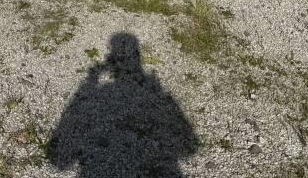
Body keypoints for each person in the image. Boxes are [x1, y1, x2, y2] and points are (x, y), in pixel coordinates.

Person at [48, 33, 199, 178]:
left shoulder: (99, 94)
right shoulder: (157, 95)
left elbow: (60, 161)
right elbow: (189, 148)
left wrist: (90, 81)